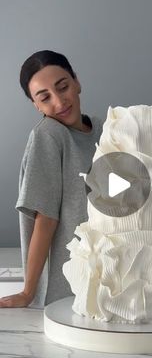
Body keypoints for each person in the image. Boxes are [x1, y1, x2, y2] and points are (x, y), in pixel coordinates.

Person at [0, 50, 103, 308]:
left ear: (76, 82)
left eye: (63, 87)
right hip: (67, 290)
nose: (59, 102)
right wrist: (28, 292)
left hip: (108, 280)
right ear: (36, 105)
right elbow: (45, 219)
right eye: (45, 98)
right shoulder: (48, 135)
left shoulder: (105, 129)